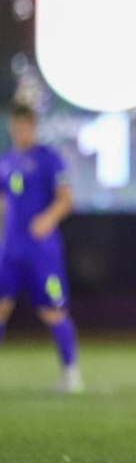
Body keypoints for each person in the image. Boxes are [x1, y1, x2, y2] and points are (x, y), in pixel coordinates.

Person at [0, 103, 82, 394]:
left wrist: (47, 219)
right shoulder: (6, 161)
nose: (20, 132)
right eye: (16, 126)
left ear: (33, 126)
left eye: (25, 126)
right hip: (10, 250)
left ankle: (71, 374)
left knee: (53, 311)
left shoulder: (49, 159)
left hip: (41, 252)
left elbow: (66, 199)